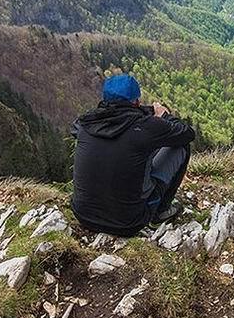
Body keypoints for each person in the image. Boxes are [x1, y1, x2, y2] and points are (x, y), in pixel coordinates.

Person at [71, 73, 194, 237]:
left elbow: (112, 124)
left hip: (83, 216)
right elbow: (187, 133)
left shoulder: (85, 123)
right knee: (181, 147)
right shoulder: (145, 128)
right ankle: (161, 212)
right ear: (136, 101)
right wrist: (164, 116)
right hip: (129, 223)